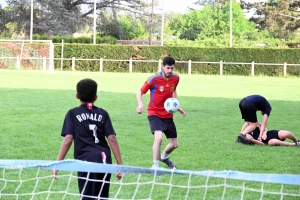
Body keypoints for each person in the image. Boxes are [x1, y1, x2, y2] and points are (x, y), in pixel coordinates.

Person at [52, 78, 123, 200]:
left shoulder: (72, 113)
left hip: (86, 161)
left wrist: (57, 164)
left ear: (77, 96)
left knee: (86, 197)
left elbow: (68, 139)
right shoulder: (103, 113)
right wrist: (120, 165)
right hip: (104, 159)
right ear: (95, 97)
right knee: (101, 197)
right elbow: (112, 138)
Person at [136, 56, 186, 170]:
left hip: (168, 115)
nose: (170, 71)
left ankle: (163, 157)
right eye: (168, 68)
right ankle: (155, 166)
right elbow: (140, 92)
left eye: (172, 68)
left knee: (174, 144)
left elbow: (173, 91)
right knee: (158, 138)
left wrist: (177, 107)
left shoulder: (176, 78)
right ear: (162, 66)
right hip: (154, 113)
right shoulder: (153, 79)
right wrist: (140, 104)